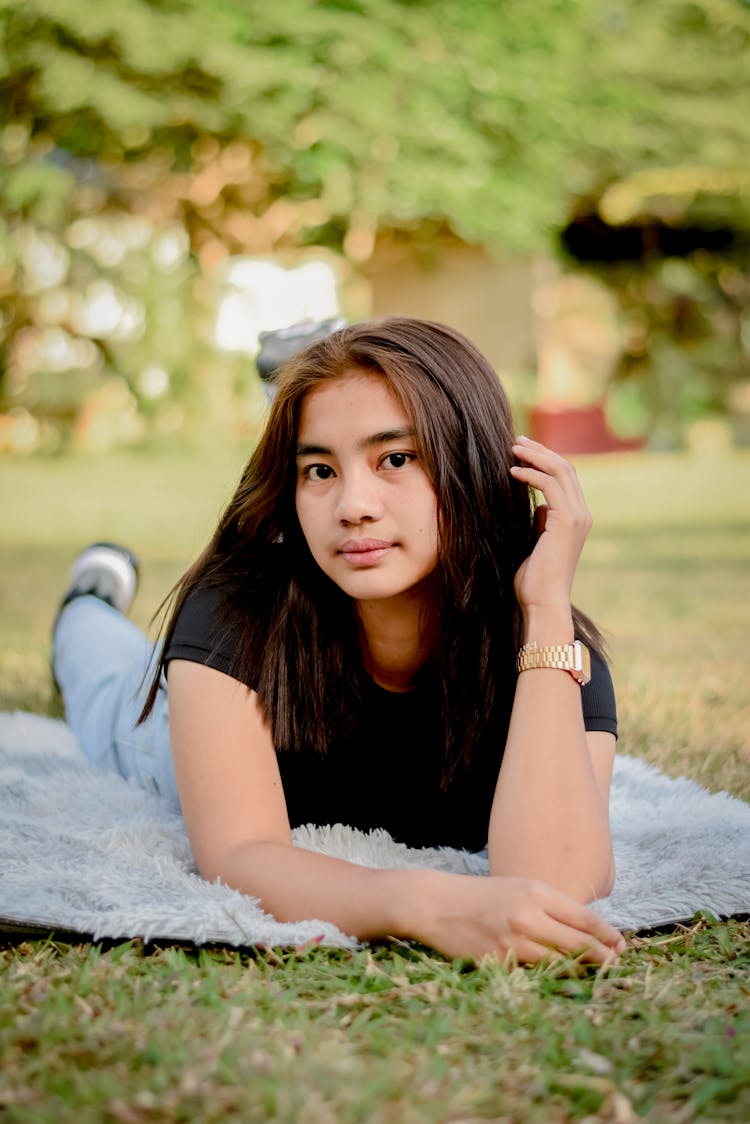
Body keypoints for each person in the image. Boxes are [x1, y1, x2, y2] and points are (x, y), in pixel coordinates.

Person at [53, 317, 625, 965]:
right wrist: (420, 904)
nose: (353, 504)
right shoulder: (238, 603)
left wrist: (545, 609)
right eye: (319, 470)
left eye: (397, 458)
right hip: (186, 733)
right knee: (102, 673)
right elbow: (240, 853)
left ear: (477, 466)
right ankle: (92, 596)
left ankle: (297, 391)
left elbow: (556, 893)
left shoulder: (552, 651)